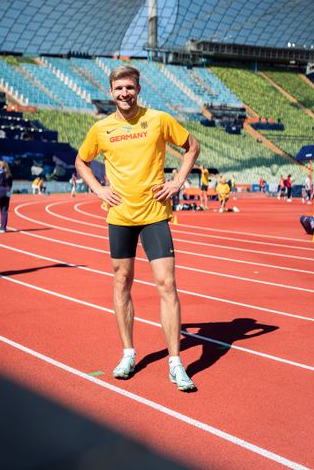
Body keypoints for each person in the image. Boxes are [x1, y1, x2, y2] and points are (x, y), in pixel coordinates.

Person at [75, 65, 200, 391]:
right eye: (118, 89)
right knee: (121, 283)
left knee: (167, 284)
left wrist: (178, 181)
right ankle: (128, 353)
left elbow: (193, 147)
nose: (124, 94)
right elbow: (81, 161)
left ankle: (175, 362)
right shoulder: (101, 128)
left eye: (129, 87)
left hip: (155, 214)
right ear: (111, 92)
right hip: (119, 217)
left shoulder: (158, 119)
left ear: (138, 89)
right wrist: (98, 189)